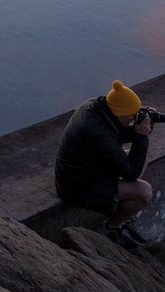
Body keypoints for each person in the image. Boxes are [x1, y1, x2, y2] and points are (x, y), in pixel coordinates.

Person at [54, 79, 155, 250]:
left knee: (141, 157)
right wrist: (141, 136)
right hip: (76, 186)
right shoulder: (98, 134)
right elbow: (131, 173)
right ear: (120, 114)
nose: (134, 118)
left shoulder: (97, 107)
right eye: (132, 115)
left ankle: (123, 209)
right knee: (144, 192)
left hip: (85, 168)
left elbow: (117, 132)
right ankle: (112, 228)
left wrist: (140, 129)